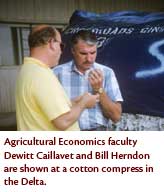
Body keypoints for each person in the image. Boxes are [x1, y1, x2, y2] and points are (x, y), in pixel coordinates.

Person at [15, 25, 98, 131]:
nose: (61, 51)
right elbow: (63, 121)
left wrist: (73, 102)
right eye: (61, 45)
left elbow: (44, 108)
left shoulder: (28, 69)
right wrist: (83, 103)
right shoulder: (41, 75)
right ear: (51, 43)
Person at [53, 30, 123, 131]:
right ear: (73, 50)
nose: (89, 59)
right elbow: (52, 111)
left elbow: (116, 116)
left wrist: (99, 89)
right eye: (83, 53)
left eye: (93, 52)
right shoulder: (57, 73)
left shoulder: (107, 72)